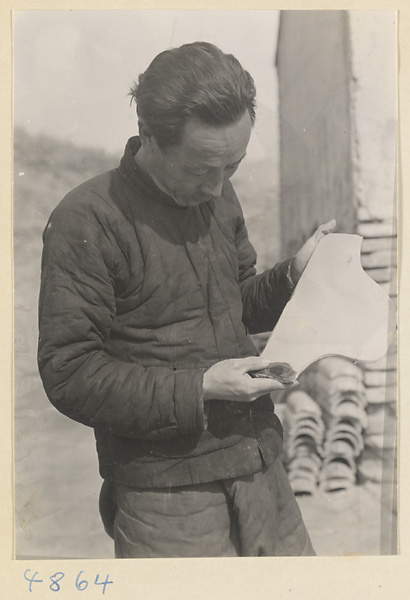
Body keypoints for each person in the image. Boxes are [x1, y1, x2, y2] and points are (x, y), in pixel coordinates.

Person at [38, 41, 335, 558]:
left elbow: (236, 304)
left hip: (260, 465)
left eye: (233, 167)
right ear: (150, 136)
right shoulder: (87, 220)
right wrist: (199, 387)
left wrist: (293, 276)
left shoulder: (217, 194)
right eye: (201, 169)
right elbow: (69, 372)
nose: (219, 188)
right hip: (167, 494)